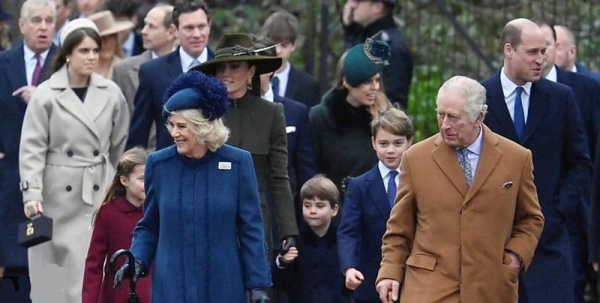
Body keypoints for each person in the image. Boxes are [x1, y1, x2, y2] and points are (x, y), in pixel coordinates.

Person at [376, 75, 544, 303]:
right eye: (440, 114)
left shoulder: (516, 159)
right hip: (428, 289)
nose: (445, 125)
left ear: (479, 117)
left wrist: (514, 256)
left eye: (454, 117)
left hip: (490, 288)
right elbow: (399, 228)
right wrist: (389, 273)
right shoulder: (416, 159)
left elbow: (531, 219)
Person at [114, 71, 271, 302]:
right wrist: (137, 260)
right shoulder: (159, 165)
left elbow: (251, 229)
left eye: (182, 126)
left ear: (202, 127)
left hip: (223, 285)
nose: (174, 133)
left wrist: (257, 285)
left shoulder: (238, 163)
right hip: (172, 286)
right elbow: (149, 225)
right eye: (171, 125)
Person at [481, 18, 592, 303]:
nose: (541, 60)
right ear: (509, 50)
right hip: (492, 247)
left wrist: (555, 213)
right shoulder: (480, 98)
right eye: (532, 52)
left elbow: (579, 163)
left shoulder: (561, 99)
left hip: (550, 245)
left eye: (544, 51)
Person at [19, 18, 129, 303]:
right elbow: (31, 147)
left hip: (97, 193)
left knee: (91, 273)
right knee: (51, 279)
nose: (91, 57)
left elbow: (119, 145)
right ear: (68, 53)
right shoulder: (45, 95)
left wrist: (115, 186)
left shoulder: (112, 93)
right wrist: (31, 193)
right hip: (54, 196)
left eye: (95, 50)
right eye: (83, 51)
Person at [193, 33, 299, 260]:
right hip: (210, 215)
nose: (226, 74)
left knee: (258, 289)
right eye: (221, 68)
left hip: (256, 217)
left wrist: (289, 230)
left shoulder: (272, 113)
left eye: (235, 66)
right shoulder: (203, 113)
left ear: (251, 71)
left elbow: (279, 177)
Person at [538, 20, 600, 302]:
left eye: (546, 46)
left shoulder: (586, 89)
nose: (540, 54)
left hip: (580, 209)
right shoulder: (504, 91)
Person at [0, 0, 57, 280]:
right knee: (16, 268)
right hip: (10, 177)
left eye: (49, 21)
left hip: (56, 179)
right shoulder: (3, 63)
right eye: (36, 20)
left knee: (51, 268)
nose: (43, 27)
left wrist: (43, 97)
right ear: (22, 26)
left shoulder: (68, 65)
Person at [338, 107, 413, 303]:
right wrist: (349, 267)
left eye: (398, 143)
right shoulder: (359, 185)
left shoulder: (419, 181)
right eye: (383, 143)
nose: (390, 150)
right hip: (370, 278)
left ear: (409, 142)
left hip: (412, 278)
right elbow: (348, 231)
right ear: (373, 143)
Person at [309, 38, 391, 199]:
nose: (375, 87)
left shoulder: (386, 116)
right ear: (346, 81)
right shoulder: (321, 118)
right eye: (367, 81)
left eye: (377, 80)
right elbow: (313, 174)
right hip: (336, 211)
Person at [126, 0, 214, 150]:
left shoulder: (223, 68)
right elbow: (139, 132)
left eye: (201, 27)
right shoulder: (152, 71)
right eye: (189, 28)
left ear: (209, 26)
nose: (197, 34)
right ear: (175, 31)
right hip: (169, 165)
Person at [254, 35, 316, 225]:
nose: (254, 74)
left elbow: (305, 171)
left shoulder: (296, 112)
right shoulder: (231, 110)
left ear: (272, 69)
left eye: (260, 67)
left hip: (283, 215)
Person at [82, 147, 151, 303]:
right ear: (124, 180)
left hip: (152, 294)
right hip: (116, 296)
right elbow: (94, 264)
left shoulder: (157, 211)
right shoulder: (108, 213)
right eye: (142, 179)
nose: (148, 184)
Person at [273, 175, 348, 303]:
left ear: (334, 210)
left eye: (319, 206)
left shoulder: (343, 241)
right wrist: (283, 263)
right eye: (307, 206)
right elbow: (281, 285)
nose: (312, 211)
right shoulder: (295, 243)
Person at [342, 0, 413, 109]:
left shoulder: (390, 45)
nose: (352, 5)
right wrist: (349, 29)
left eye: (357, 1)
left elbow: (393, 100)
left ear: (377, 7)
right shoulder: (368, 36)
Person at [113, 3, 175, 115]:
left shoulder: (190, 66)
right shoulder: (123, 70)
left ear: (171, 32)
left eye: (152, 27)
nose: (144, 31)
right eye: (145, 25)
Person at [260, 10, 321, 108]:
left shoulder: (309, 86)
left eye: (284, 45)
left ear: (294, 45)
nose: (278, 50)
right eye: (273, 44)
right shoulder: (252, 80)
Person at [88, 10, 134, 78]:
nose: (107, 43)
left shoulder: (125, 69)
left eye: (111, 36)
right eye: (102, 38)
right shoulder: (81, 69)